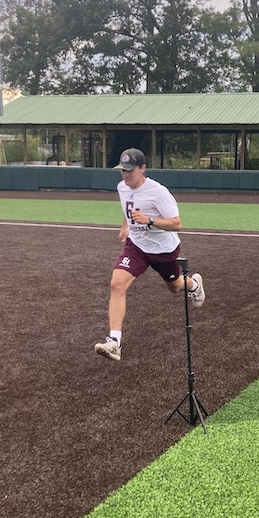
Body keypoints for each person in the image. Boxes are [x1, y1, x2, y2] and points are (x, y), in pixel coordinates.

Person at [95, 147, 205, 362]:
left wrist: (150, 220)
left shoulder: (158, 192)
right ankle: (114, 342)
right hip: (136, 247)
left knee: (174, 287)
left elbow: (177, 224)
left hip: (163, 250)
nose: (125, 175)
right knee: (117, 283)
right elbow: (129, 208)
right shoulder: (122, 187)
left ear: (142, 169)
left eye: (130, 171)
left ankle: (193, 285)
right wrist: (126, 225)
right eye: (122, 171)